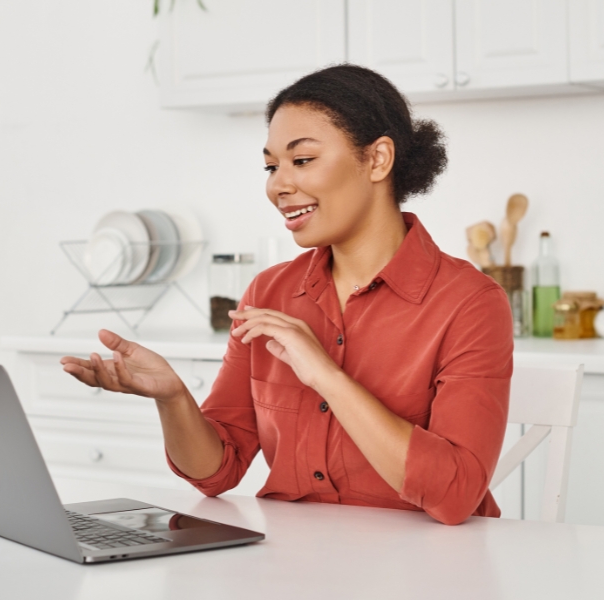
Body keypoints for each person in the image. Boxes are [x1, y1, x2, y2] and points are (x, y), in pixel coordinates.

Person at [61, 64, 512, 525]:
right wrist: (174, 398)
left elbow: (456, 495)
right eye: (271, 166)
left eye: (302, 160)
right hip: (292, 560)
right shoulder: (270, 292)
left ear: (377, 159)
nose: (278, 185)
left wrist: (325, 374)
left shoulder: (470, 303)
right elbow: (217, 471)